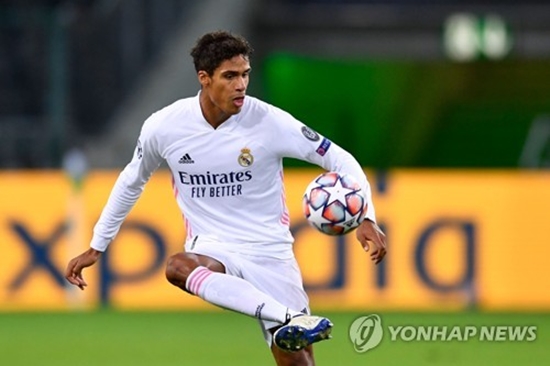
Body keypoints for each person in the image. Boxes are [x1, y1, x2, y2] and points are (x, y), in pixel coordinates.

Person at [65, 30, 387, 366]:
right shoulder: (165, 127)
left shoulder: (268, 121)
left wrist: (366, 217)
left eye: (245, 74)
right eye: (230, 76)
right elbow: (131, 181)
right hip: (213, 246)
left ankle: (289, 321)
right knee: (177, 266)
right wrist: (97, 244)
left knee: (297, 360)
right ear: (204, 79)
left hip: (269, 251)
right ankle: (288, 316)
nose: (241, 85)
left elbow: (339, 158)